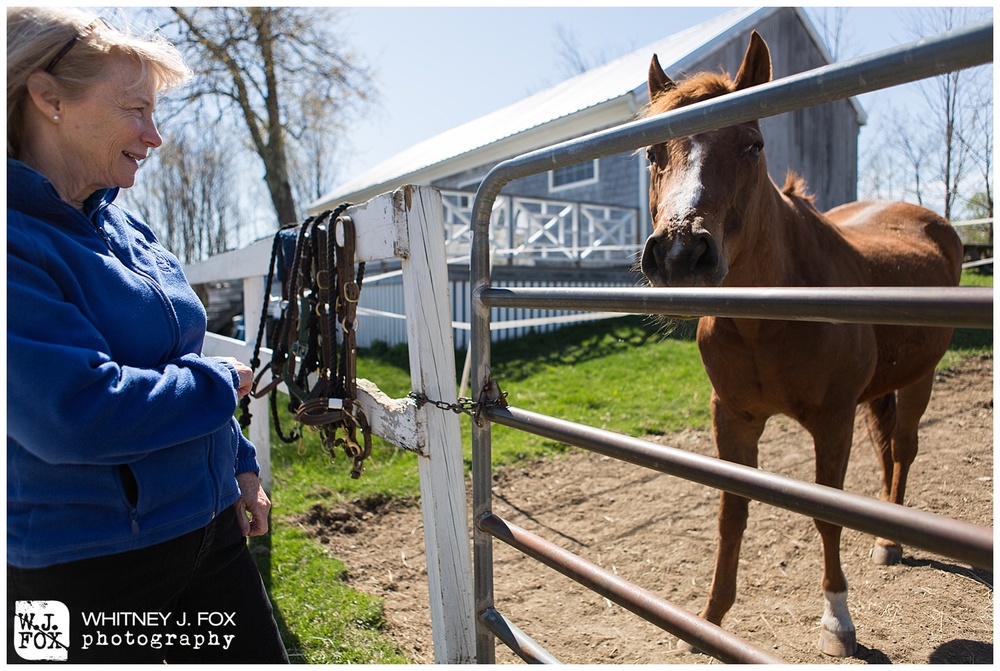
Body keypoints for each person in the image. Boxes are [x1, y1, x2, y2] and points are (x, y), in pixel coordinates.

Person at [7, 8, 288, 663]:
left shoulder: (128, 231)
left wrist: (240, 466)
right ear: (48, 98)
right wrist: (222, 385)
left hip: (208, 529)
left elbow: (176, 358)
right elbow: (75, 414)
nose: (154, 136)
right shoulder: (13, 246)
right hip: (86, 568)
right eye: (136, 110)